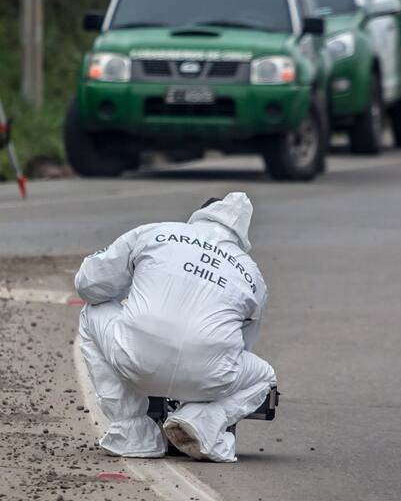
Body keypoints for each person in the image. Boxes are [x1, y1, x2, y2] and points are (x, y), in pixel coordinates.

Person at [76, 192, 275, 462]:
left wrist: (131, 296)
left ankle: (132, 433)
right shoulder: (252, 275)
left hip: (136, 360)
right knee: (264, 377)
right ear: (241, 236)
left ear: (200, 215)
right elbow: (243, 344)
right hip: (207, 379)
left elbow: (88, 284)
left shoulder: (157, 233)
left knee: (93, 310)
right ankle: (199, 424)